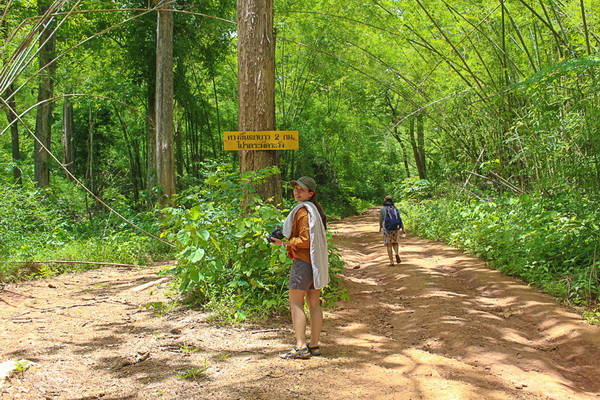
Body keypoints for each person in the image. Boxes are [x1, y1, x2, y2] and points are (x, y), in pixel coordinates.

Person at [270, 176, 329, 359]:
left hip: (303, 261)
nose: (297, 192)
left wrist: (284, 242)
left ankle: (300, 346)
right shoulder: (315, 210)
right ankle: (314, 345)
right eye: (296, 189)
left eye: (302, 190)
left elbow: (305, 240)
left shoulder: (303, 211)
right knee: (314, 304)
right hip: (316, 263)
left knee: (296, 303)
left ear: (311, 193)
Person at [379, 195, 406, 266]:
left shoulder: (383, 209)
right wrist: (402, 228)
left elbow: (381, 220)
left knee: (388, 244)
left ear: (385, 200)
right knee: (395, 242)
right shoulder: (395, 208)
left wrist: (380, 227)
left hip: (386, 228)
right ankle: (396, 253)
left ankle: (391, 261)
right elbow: (399, 219)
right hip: (395, 228)